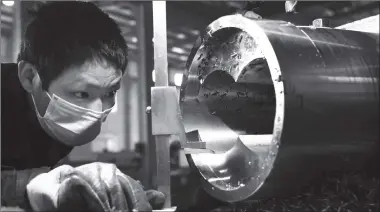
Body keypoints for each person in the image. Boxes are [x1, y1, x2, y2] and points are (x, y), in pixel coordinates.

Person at [1, 1, 165, 211]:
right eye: (81, 94)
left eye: (110, 93)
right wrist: (44, 187)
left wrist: (97, 195)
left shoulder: (53, 123)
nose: (97, 112)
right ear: (30, 77)